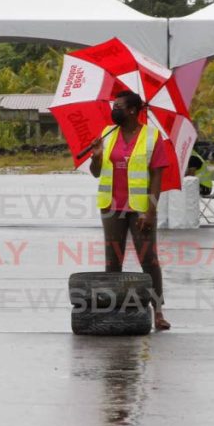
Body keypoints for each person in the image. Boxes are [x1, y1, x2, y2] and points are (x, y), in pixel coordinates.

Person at [88, 90, 171, 331]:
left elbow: (157, 177)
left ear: (132, 110)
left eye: (118, 106)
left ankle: (158, 311)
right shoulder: (107, 134)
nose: (114, 110)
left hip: (140, 209)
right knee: (113, 260)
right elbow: (96, 173)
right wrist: (96, 157)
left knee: (148, 259)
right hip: (111, 206)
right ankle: (113, 310)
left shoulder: (152, 137)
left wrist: (151, 212)